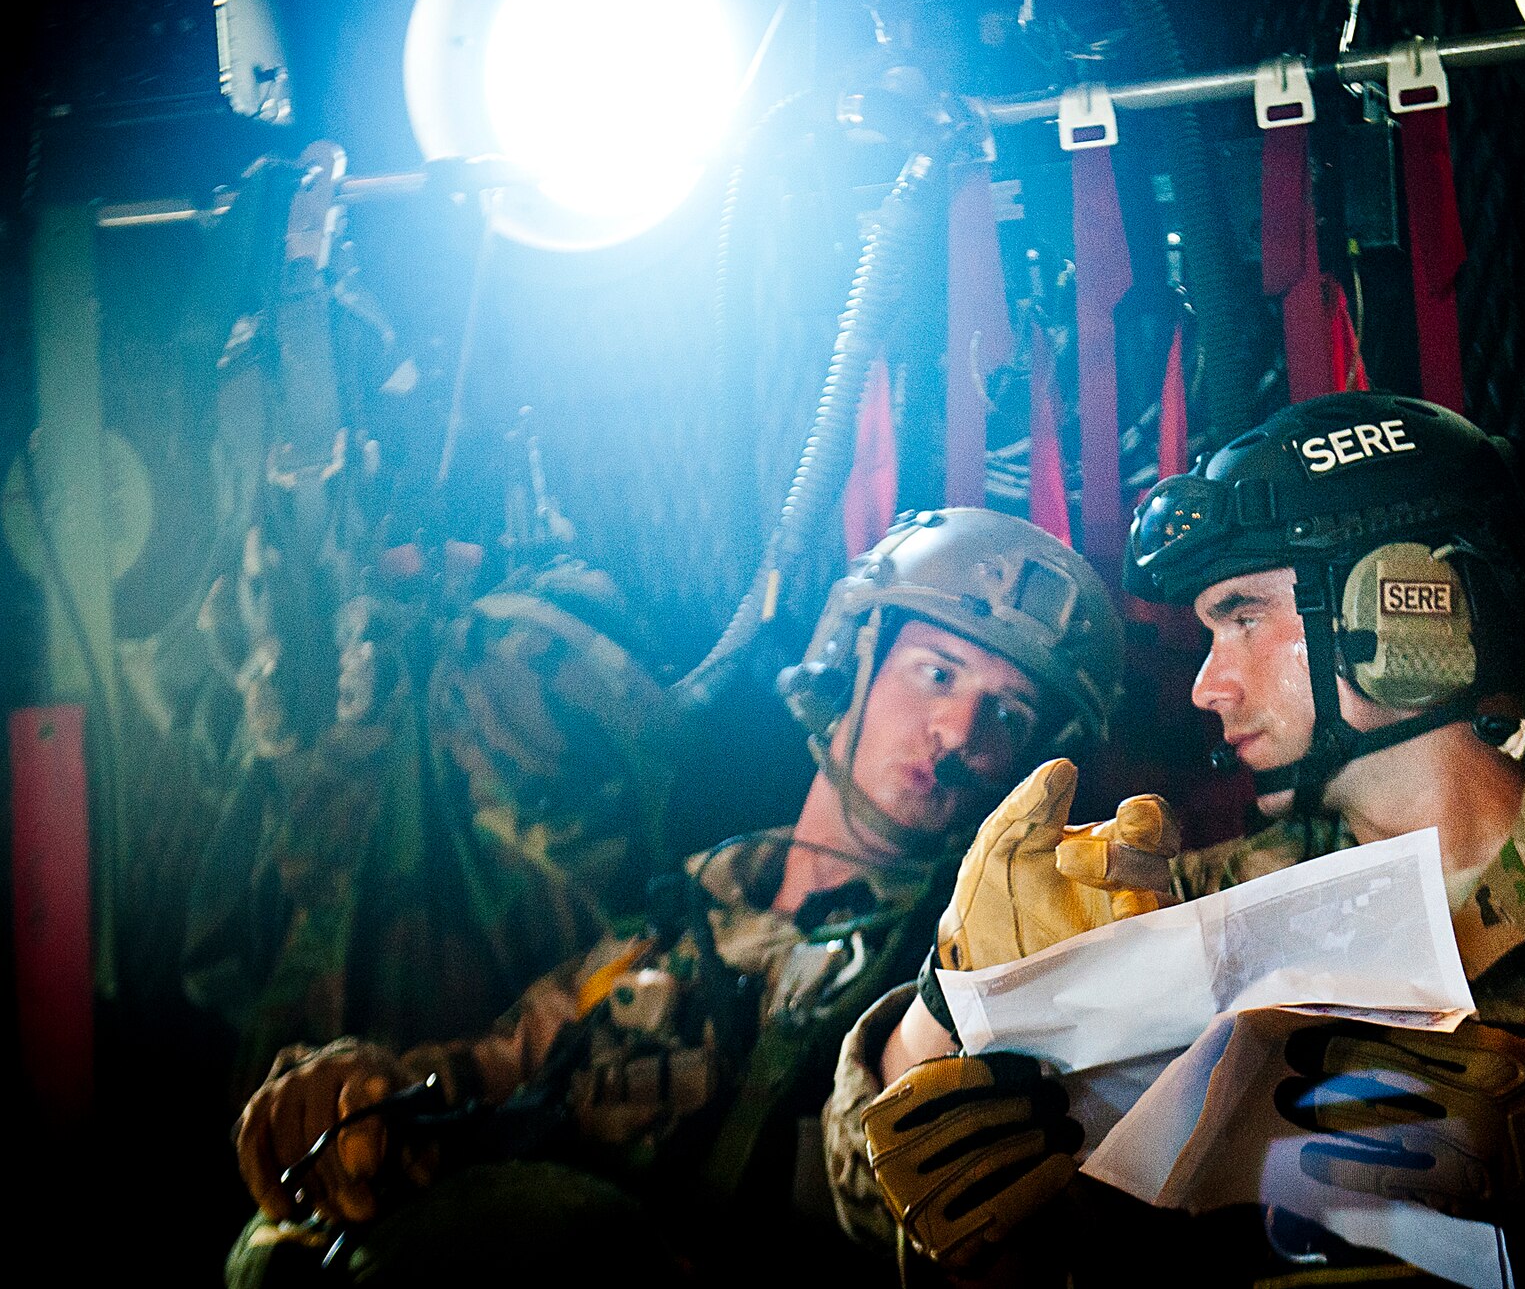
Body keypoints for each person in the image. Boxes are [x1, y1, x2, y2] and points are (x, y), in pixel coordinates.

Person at [838, 394, 1525, 1285]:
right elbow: (870, 1206)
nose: (1206, 684)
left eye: (1242, 616)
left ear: (1397, 603)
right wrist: (950, 1002)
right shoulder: (1190, 913)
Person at [223, 506, 1126, 1286]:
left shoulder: (952, 968)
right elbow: (517, 1058)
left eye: (1006, 716)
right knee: (282, 1250)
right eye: (935, 673)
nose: (959, 730)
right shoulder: (702, 892)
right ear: (850, 663)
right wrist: (375, 1090)